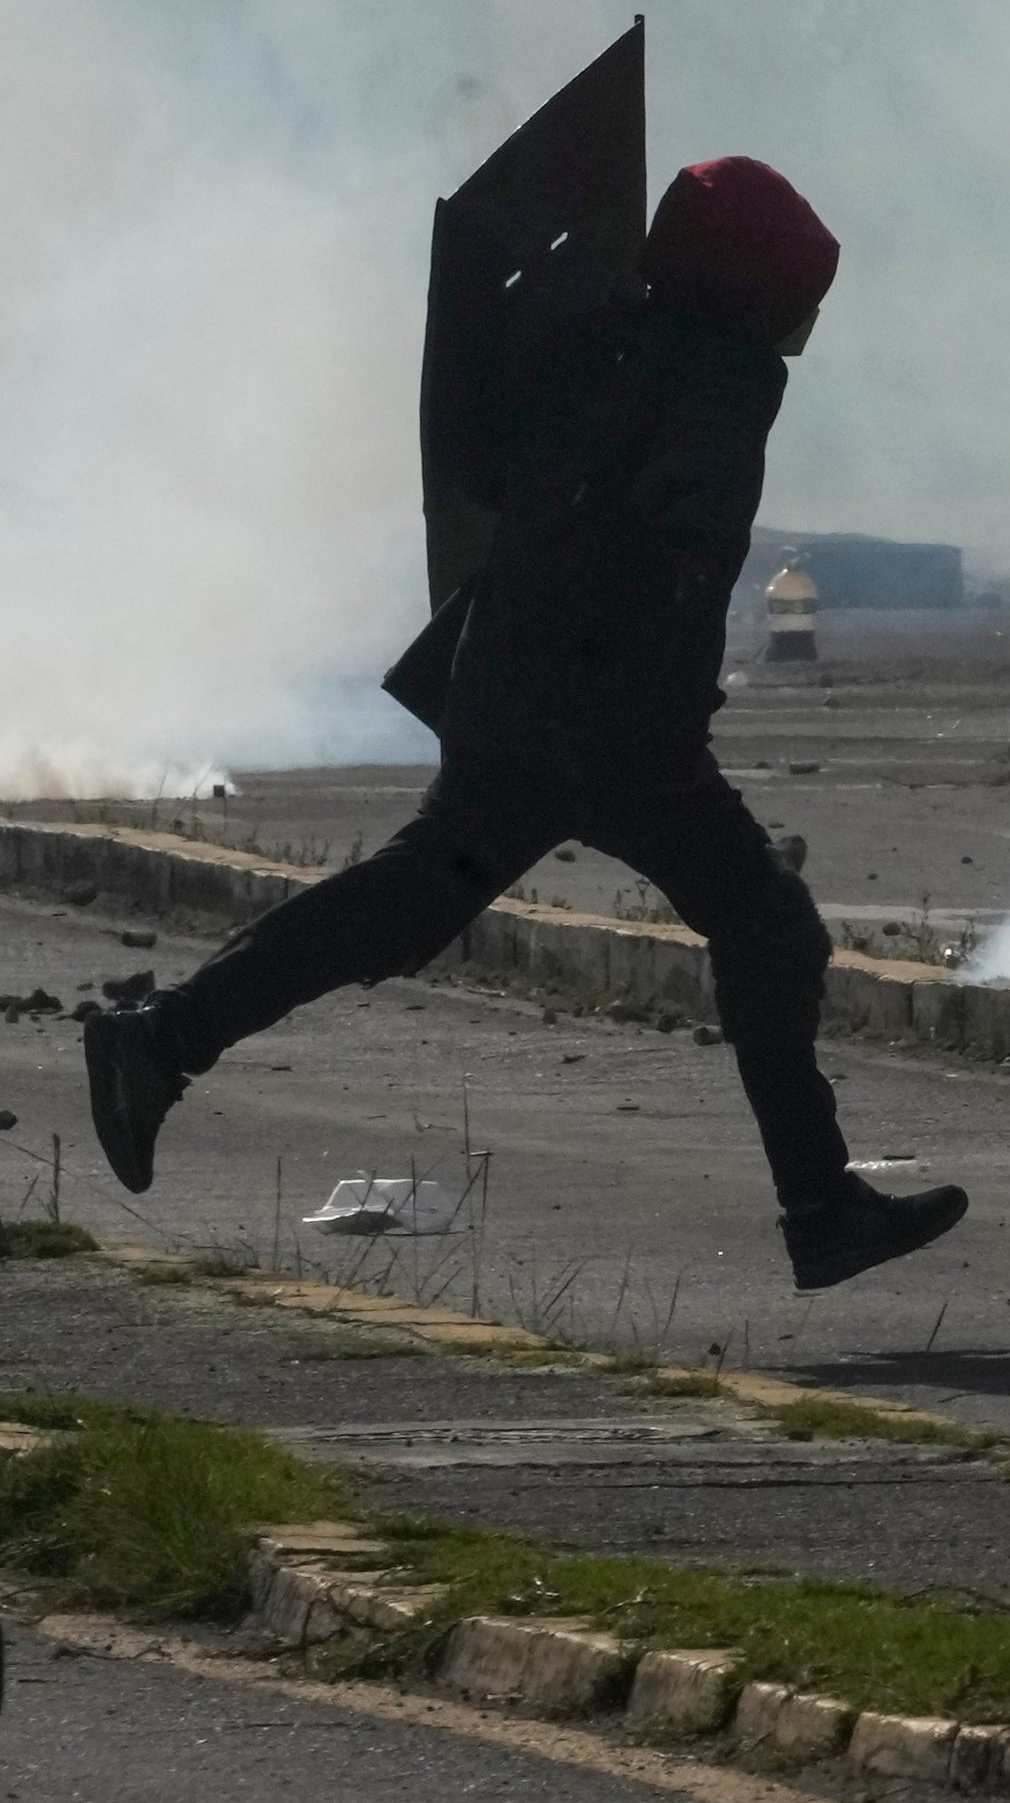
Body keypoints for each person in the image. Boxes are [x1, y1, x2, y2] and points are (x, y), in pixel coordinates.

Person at [85, 159, 965, 1290]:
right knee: (767, 929)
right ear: (751, 288)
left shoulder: (592, 345)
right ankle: (820, 1208)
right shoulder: (723, 375)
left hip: (516, 685)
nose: (805, 320)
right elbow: (681, 521)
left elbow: (487, 465)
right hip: (611, 723)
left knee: (409, 895)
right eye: (798, 293)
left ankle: (161, 1041)